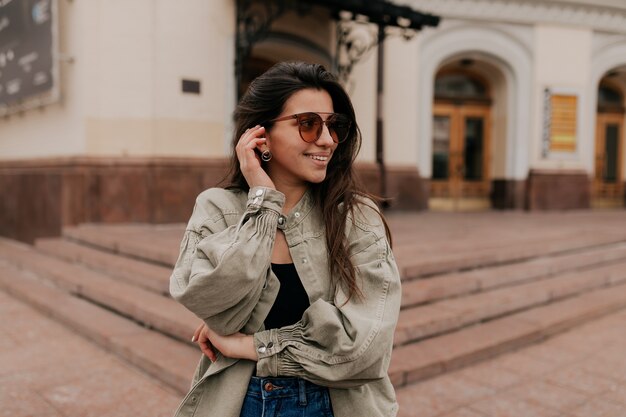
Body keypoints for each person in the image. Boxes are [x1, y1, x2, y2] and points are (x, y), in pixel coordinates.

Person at [169, 61, 401, 417]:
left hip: (336, 405)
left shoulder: (356, 216)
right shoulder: (218, 209)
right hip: (240, 401)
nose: (327, 139)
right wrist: (262, 201)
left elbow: (365, 348)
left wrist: (254, 346)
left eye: (334, 125)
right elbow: (207, 299)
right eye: (308, 124)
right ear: (260, 135)